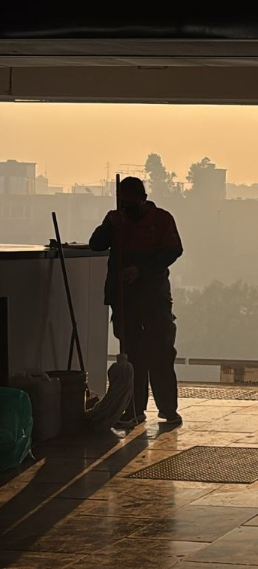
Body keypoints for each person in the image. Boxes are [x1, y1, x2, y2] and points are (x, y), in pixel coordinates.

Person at [90, 177, 183, 427]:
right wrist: (110, 226)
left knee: (161, 352)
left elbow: (172, 251)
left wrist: (139, 269)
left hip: (154, 297)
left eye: (131, 202)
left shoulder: (161, 219)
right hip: (125, 298)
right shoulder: (115, 220)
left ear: (142, 198)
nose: (127, 207)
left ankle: (168, 410)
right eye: (123, 202)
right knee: (130, 356)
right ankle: (133, 410)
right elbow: (96, 244)